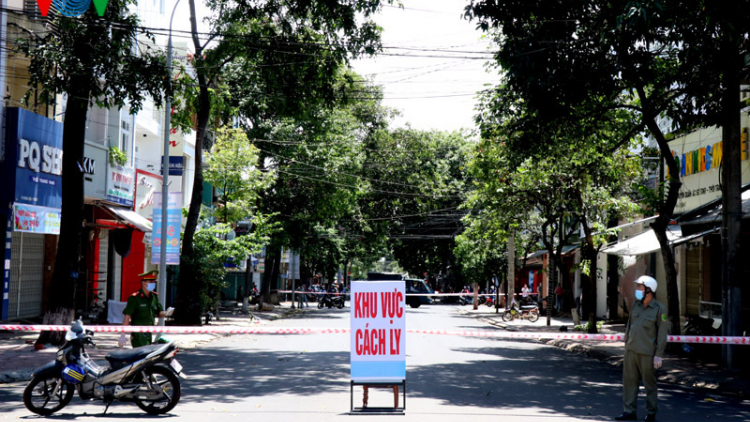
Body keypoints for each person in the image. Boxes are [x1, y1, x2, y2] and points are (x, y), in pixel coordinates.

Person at [615, 275, 669, 422]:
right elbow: (629, 327)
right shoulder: (635, 306)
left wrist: (659, 355)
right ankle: (629, 411)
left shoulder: (659, 309)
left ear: (649, 290)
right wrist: (626, 346)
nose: (637, 289)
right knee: (629, 382)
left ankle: (651, 413)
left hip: (647, 353)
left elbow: (662, 334)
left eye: (640, 287)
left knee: (649, 384)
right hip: (631, 351)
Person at [119, 270, 174, 348]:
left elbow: (159, 313)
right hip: (139, 334)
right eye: (150, 281)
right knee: (142, 356)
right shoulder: (135, 298)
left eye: (154, 281)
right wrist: (122, 335)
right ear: (143, 283)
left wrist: (166, 313)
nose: (153, 283)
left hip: (149, 332)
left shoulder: (154, 297)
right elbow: (127, 316)